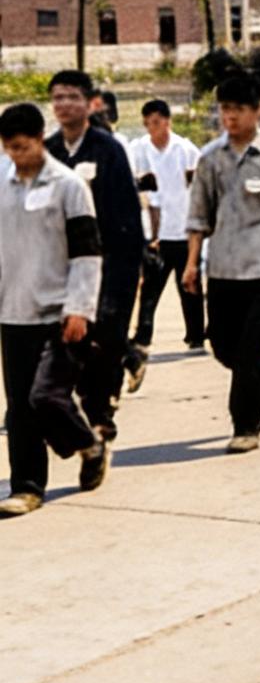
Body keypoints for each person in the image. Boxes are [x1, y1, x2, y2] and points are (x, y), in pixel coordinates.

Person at [183, 69, 260, 453]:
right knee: (222, 346)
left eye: (238, 109)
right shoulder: (210, 159)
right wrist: (191, 264)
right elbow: (198, 215)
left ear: (257, 112)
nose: (230, 117)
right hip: (221, 267)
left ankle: (244, 425)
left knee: (252, 349)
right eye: (224, 109)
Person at [0, 100, 108, 515]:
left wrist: (80, 308)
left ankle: (87, 443)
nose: (16, 156)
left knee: (44, 397)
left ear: (40, 140)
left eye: (23, 147)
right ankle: (27, 486)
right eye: (9, 148)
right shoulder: (2, 182)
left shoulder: (68, 185)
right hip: (14, 310)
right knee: (18, 407)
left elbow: (86, 253)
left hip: (60, 312)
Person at [45, 69, 145, 433]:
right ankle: (93, 409)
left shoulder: (108, 150)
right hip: (63, 268)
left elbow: (127, 214)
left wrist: (132, 269)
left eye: (72, 97)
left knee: (106, 339)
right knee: (74, 344)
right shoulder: (50, 152)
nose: (64, 104)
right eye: (58, 97)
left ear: (90, 104)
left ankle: (101, 417)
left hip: (110, 265)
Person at [130, 99, 204, 353]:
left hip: (183, 228)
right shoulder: (138, 150)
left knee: (189, 285)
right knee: (150, 287)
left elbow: (199, 187)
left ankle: (196, 334)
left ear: (167, 121)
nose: (153, 128)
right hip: (155, 234)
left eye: (157, 122)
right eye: (148, 123)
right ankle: (143, 334)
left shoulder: (185, 150)